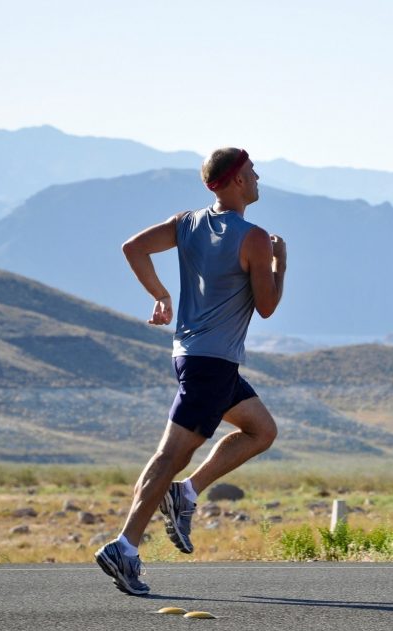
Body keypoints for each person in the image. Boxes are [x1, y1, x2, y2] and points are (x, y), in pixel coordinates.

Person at [95, 147, 287, 595]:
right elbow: (267, 306)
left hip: (193, 356)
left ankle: (186, 492)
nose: (258, 180)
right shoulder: (255, 238)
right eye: (254, 173)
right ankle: (125, 546)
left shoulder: (187, 222)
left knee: (261, 430)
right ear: (237, 179)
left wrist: (160, 294)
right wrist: (281, 263)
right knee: (170, 455)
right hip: (212, 364)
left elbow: (133, 247)